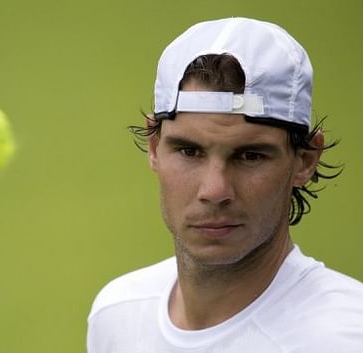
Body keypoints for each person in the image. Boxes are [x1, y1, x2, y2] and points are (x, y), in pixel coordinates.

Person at [87, 17, 363, 353]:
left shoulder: (346, 337)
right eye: (189, 151)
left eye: (250, 156)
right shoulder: (116, 316)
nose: (215, 190)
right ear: (155, 147)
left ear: (305, 159)